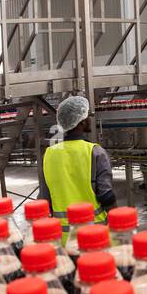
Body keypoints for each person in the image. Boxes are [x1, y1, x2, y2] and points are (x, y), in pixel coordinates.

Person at [40, 95, 116, 235]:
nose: (89, 119)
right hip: (94, 234)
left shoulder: (49, 154)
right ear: (80, 122)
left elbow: (45, 199)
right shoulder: (95, 152)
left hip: (62, 235)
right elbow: (106, 196)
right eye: (86, 116)